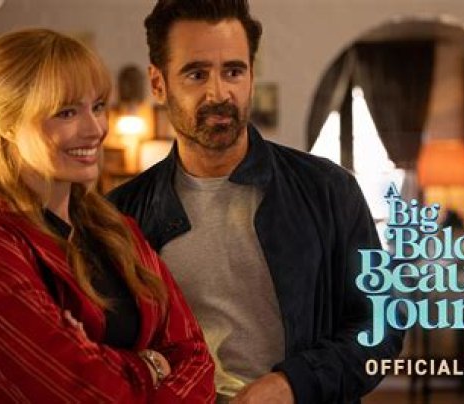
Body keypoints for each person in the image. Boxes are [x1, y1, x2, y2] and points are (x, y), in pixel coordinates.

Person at [107, 1, 404, 403]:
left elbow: (382, 326)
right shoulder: (119, 215)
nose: (219, 93)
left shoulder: (329, 190)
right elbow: (105, 351)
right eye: (196, 74)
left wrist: (293, 384)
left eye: (233, 71)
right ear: (158, 84)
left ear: (251, 75)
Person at [0, 28, 214, 403]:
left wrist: (102, 360)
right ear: (6, 125)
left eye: (97, 107)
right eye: (66, 113)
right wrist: (150, 365)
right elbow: (83, 394)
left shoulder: (118, 230)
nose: (95, 129)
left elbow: (195, 358)